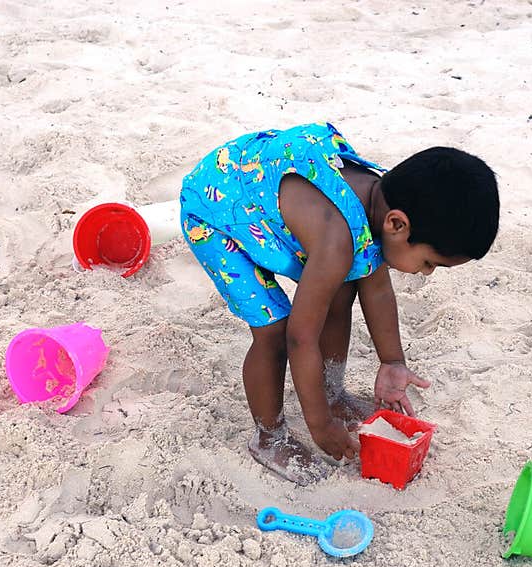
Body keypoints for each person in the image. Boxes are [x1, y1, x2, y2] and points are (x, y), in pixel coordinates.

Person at [179, 121, 500, 485]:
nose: (425, 274)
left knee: (342, 290)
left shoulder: (379, 199)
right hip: (219, 209)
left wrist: (392, 361)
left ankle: (333, 393)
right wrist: (320, 425)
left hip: (268, 187)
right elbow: (300, 338)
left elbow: (375, 288)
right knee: (274, 328)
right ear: (397, 224)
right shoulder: (337, 242)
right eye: (429, 263)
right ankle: (269, 437)